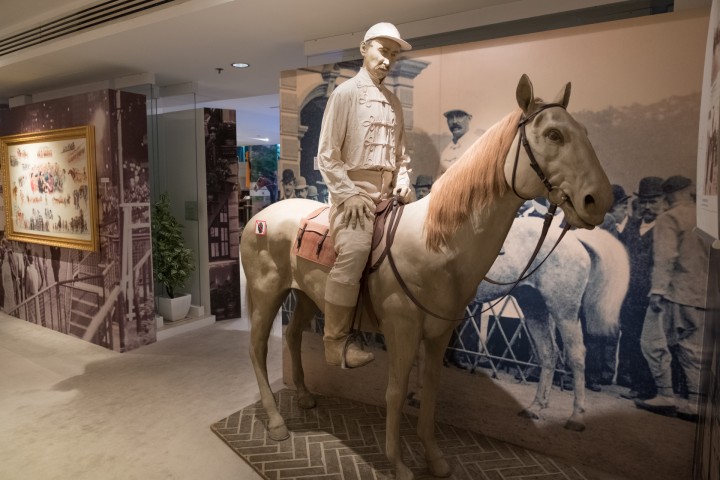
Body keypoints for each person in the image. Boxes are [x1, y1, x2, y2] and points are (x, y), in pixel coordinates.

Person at [317, 22, 413, 368]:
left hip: (390, 196)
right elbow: (327, 156)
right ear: (364, 49)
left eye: (394, 55)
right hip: (352, 197)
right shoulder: (345, 94)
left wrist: (403, 178)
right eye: (382, 51)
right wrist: (348, 194)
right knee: (355, 251)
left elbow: (402, 154)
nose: (388, 60)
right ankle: (335, 340)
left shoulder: (394, 102)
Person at [636, 176, 709, 419]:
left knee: (652, 342)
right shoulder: (706, 218)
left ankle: (665, 395)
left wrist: (657, 291)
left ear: (667, 194)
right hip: (704, 296)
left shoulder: (669, 218)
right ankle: (696, 403)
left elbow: (665, 258)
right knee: (693, 350)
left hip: (673, 293)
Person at [616, 176, 665, 400]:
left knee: (651, 342)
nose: (647, 206)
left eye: (652, 201)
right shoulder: (632, 226)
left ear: (662, 201)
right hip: (630, 294)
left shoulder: (666, 230)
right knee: (630, 338)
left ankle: (654, 388)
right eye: (644, 201)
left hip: (653, 296)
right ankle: (638, 385)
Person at [437, 108, 483, 177]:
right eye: (450, 117)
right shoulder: (445, 152)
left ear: (469, 118)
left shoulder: (479, 145)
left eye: (459, 116)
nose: (454, 121)